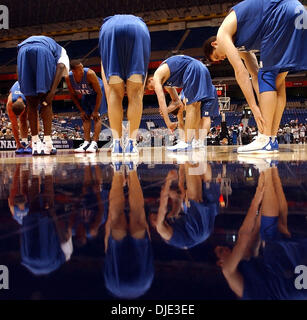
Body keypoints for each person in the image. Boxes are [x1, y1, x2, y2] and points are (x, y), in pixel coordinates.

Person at [203, 0, 307, 153]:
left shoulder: (222, 33)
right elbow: (254, 74)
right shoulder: (241, 45)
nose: (222, 59)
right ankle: (271, 138)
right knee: (277, 80)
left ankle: (264, 138)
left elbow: (241, 72)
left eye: (217, 57)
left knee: (268, 75)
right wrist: (262, 104)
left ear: (214, 44)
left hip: (281, 15)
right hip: (298, 11)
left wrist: (254, 107)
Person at [215, 167, 307, 299]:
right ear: (220, 262)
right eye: (221, 251)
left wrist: (265, 191)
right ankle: (268, 165)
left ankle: (273, 168)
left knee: (279, 225)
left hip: (298, 287)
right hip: (291, 289)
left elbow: (259, 224)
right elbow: (244, 236)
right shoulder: (228, 270)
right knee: (270, 233)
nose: (227, 249)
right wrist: (257, 197)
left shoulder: (247, 266)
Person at [99, 14, 151, 157]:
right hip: (139, 28)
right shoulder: (139, 21)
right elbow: (141, 84)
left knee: (114, 94)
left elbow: (104, 73)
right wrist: (140, 88)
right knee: (135, 94)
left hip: (108, 29)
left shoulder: (106, 23)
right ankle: (131, 144)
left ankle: (117, 144)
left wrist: (111, 91)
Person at [146, 55, 219, 152]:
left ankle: (185, 142)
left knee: (191, 106)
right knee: (195, 105)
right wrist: (167, 110)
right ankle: (195, 142)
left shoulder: (157, 76)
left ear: (151, 80)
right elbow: (177, 103)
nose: (153, 90)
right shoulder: (167, 82)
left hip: (193, 68)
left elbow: (161, 100)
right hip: (201, 68)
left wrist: (168, 123)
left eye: (151, 88)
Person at [104, 161, 154, 298]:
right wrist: (110, 223)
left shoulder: (145, 285)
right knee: (116, 213)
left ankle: (132, 170)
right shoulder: (112, 286)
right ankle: (118, 170)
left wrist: (145, 231)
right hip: (116, 275)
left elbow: (148, 247)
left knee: (138, 212)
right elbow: (108, 248)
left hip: (140, 246)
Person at [17, 35, 70, 155]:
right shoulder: (63, 52)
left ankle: (35, 144)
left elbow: (18, 68)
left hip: (22, 51)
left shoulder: (53, 46)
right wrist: (52, 92)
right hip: (42, 51)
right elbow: (61, 66)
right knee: (46, 102)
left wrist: (22, 84)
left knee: (31, 104)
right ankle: (48, 144)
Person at [150, 164, 220, 249]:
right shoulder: (161, 230)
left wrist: (173, 194)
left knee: (206, 181)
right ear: (153, 225)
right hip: (197, 232)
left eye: (154, 215)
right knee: (193, 197)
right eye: (154, 219)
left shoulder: (169, 220)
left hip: (205, 232)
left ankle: (200, 158)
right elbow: (163, 208)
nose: (156, 216)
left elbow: (177, 202)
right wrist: (168, 181)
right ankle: (188, 157)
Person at [65, 61, 107, 153]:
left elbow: (99, 93)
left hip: (98, 93)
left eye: (82, 67)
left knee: (96, 116)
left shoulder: (89, 73)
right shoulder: (68, 77)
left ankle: (94, 143)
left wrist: (96, 110)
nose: (82, 70)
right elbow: (73, 95)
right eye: (80, 69)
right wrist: (81, 110)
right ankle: (86, 142)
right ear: (73, 71)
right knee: (85, 117)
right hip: (86, 93)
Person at [6, 81, 31, 154]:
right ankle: (23, 142)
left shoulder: (30, 100)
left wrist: (33, 142)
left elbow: (35, 121)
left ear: (25, 107)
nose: (18, 116)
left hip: (29, 88)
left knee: (24, 118)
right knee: (18, 121)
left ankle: (33, 143)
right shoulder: (10, 103)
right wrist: (18, 143)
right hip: (19, 89)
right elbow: (14, 125)